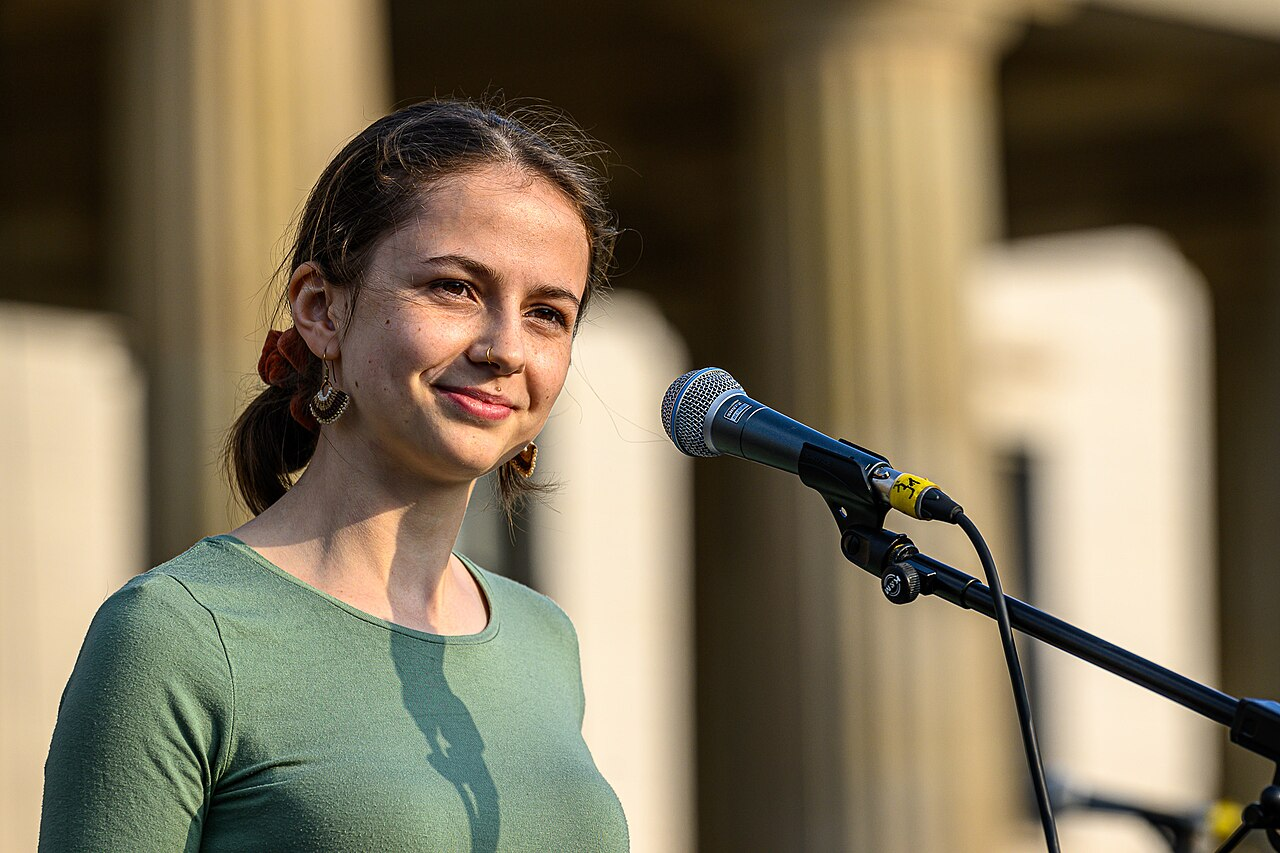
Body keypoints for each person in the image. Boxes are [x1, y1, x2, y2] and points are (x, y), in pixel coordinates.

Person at [40, 99, 629, 852]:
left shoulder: (545, 639)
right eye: (454, 287)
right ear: (321, 311)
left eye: (548, 312)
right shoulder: (176, 634)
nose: (506, 347)